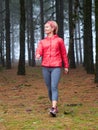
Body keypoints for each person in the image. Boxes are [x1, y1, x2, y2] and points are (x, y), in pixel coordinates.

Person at [36, 20, 69, 117]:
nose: (45, 29)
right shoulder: (42, 41)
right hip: (45, 67)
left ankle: (53, 108)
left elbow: (64, 54)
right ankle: (54, 105)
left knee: (54, 86)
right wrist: (38, 54)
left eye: (47, 27)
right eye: (45, 27)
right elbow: (39, 50)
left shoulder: (59, 40)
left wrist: (66, 66)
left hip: (56, 67)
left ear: (53, 28)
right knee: (49, 88)